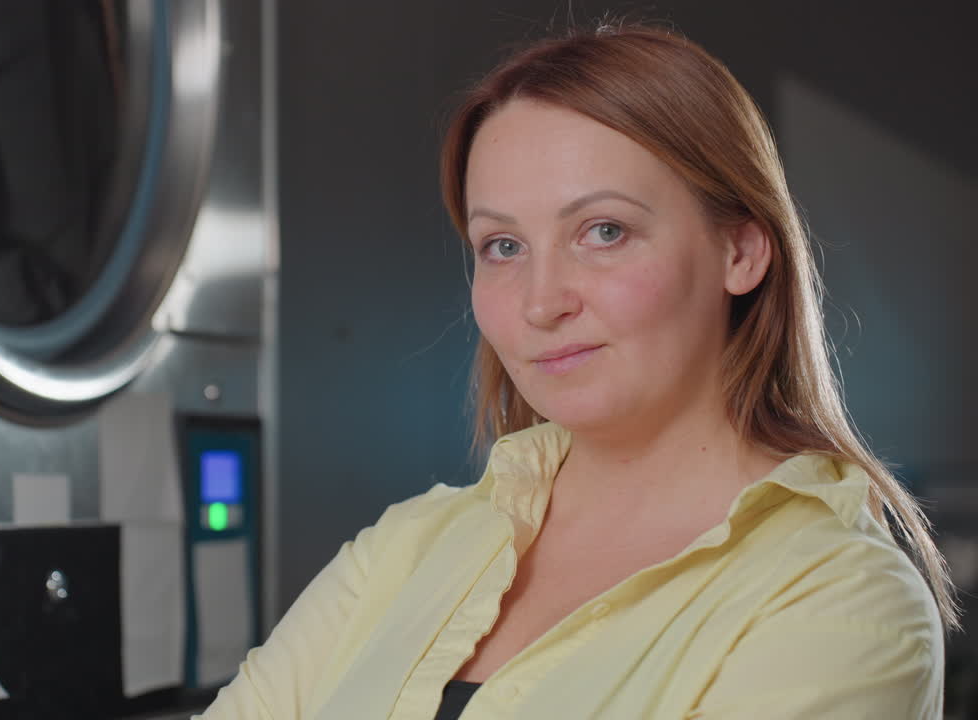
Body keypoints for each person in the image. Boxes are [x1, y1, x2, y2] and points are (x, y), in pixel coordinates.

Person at [198, 22, 955, 720]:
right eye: (503, 246)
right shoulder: (408, 547)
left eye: (604, 231)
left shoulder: (839, 598)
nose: (541, 302)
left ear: (741, 252)